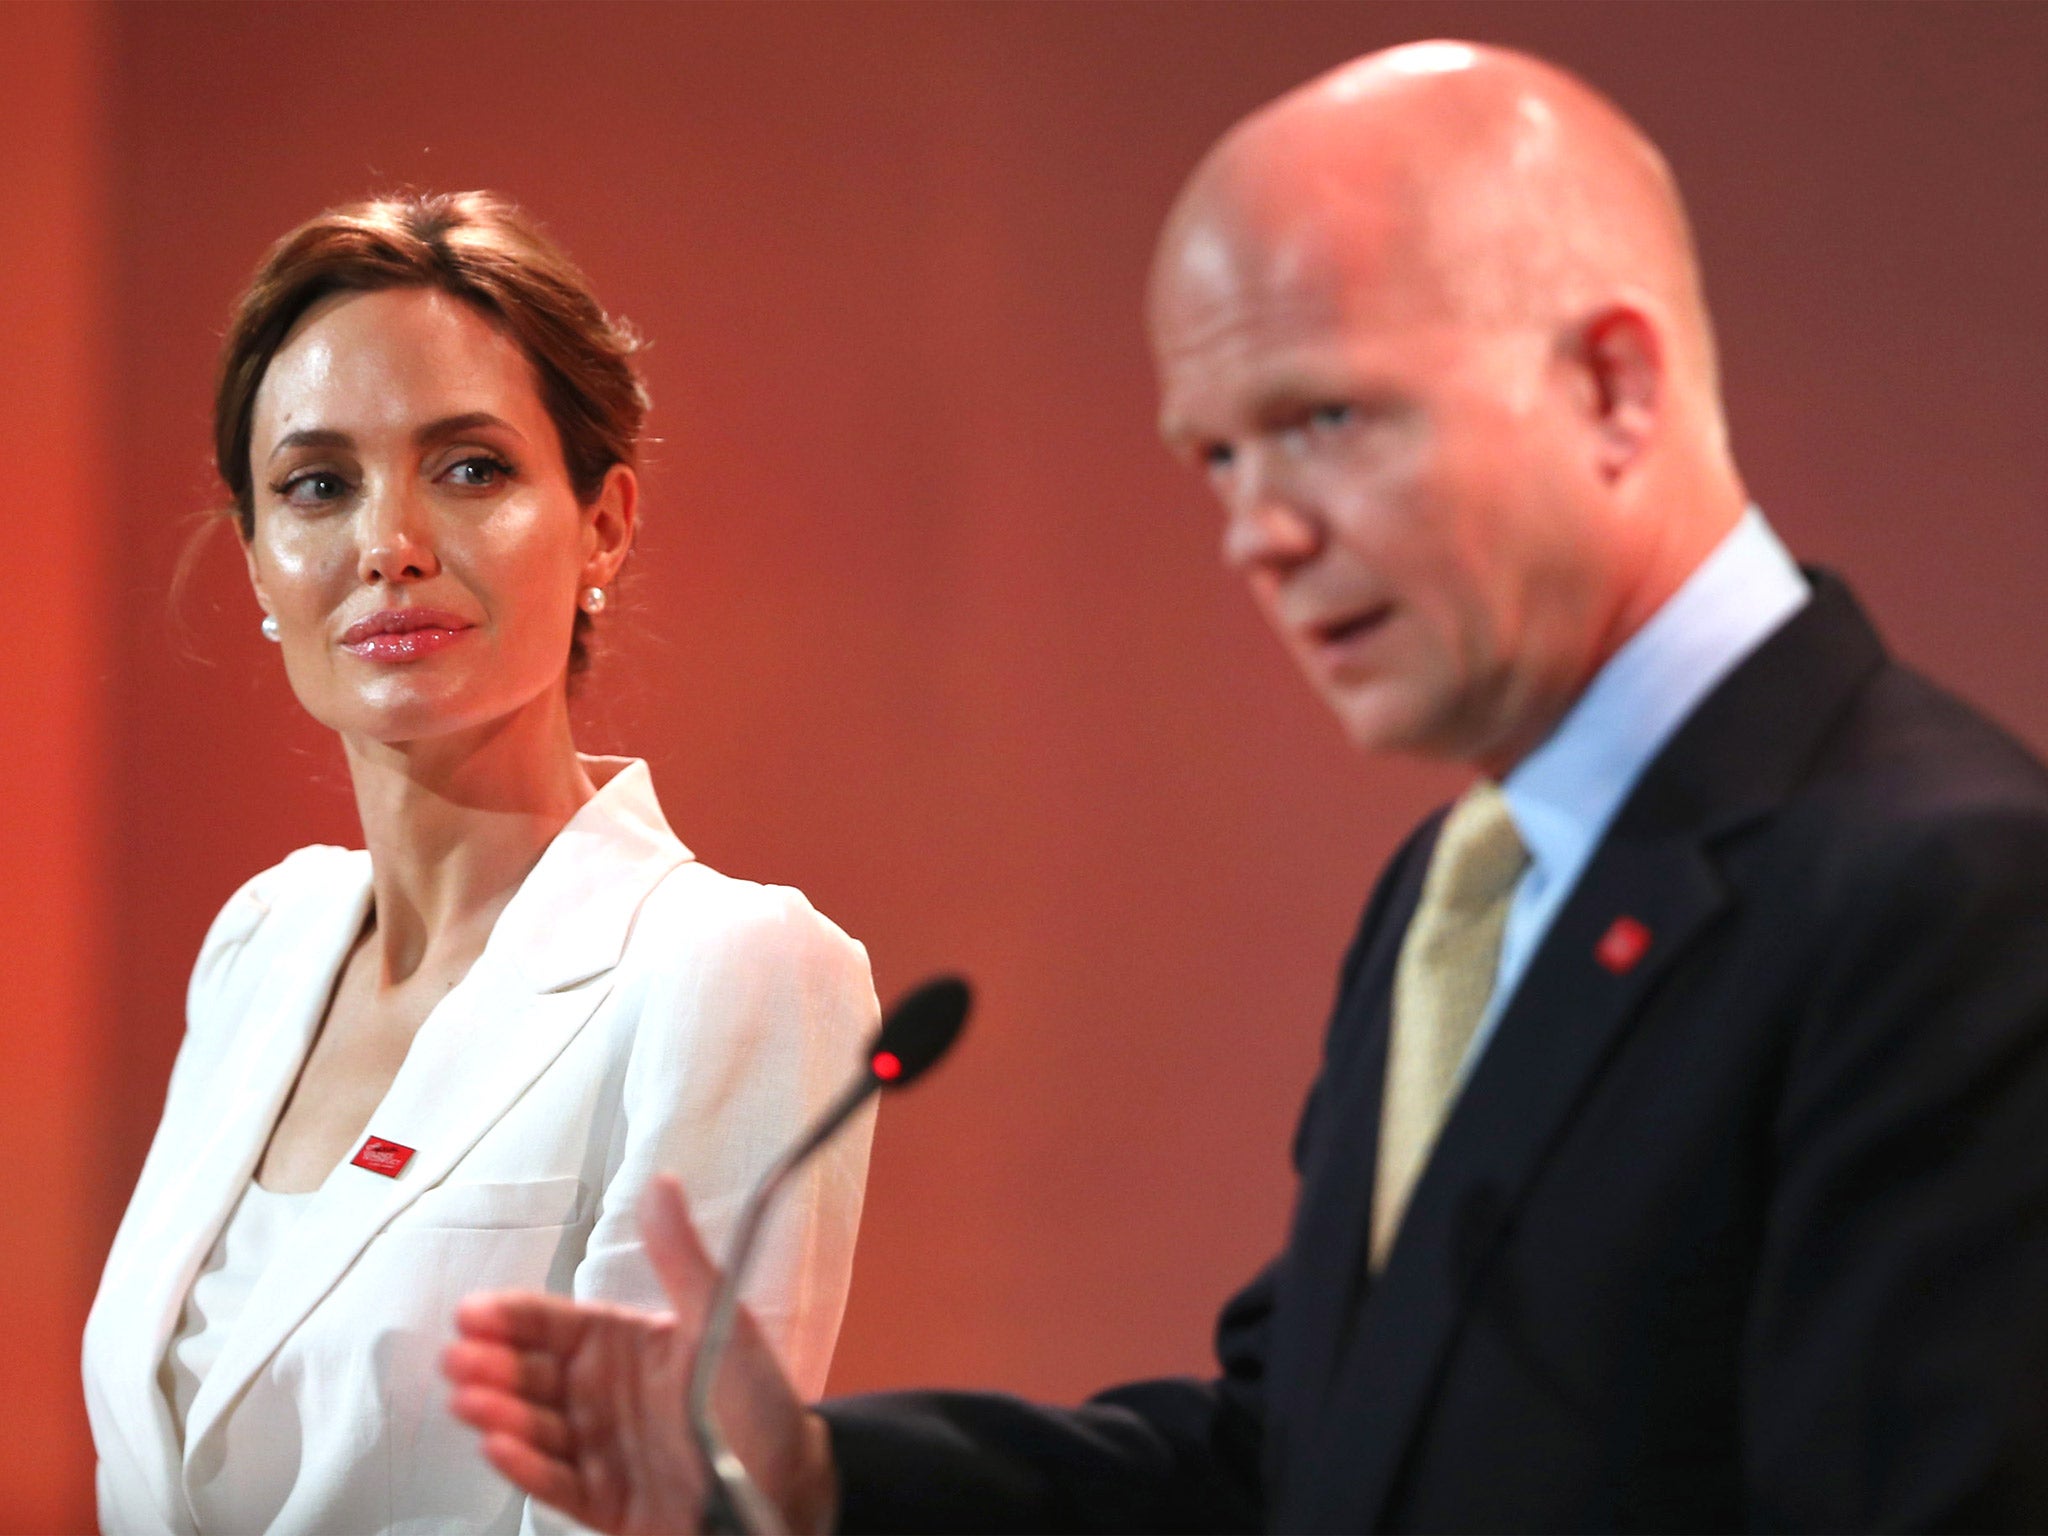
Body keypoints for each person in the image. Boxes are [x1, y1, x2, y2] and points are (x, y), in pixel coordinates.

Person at [442, 41, 2048, 1533]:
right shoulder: (1458, 892)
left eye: (1325, 419)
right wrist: (809, 1474)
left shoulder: (1949, 893)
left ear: (1615, 387)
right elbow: (1300, 1458)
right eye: (1219, 456)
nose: (1257, 532)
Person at [81, 191, 881, 1536]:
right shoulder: (262, 943)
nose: (388, 545)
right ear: (260, 563)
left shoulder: (733, 971)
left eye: (469, 469)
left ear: (604, 526)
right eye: (318, 485)